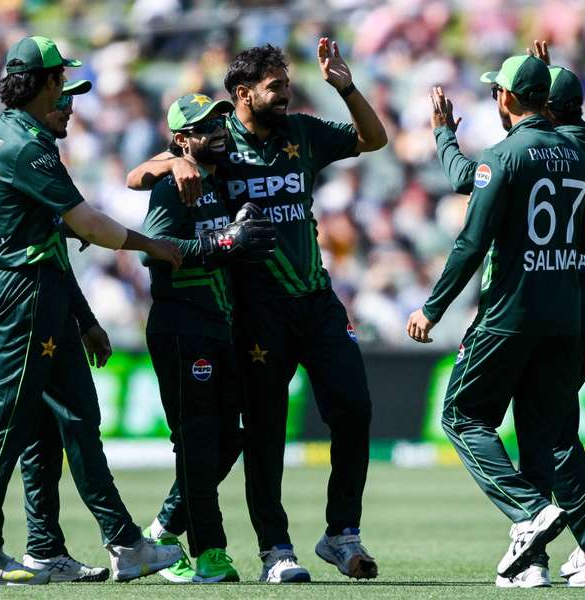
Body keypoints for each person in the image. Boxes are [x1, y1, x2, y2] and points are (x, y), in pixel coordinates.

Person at [0, 36, 183, 586]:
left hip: (41, 285)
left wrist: (77, 308)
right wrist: (156, 246)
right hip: (24, 287)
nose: (71, 100)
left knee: (73, 417)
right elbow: (90, 226)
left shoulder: (2, 133)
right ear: (45, 83)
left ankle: (95, 545)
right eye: (63, 84)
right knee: (11, 417)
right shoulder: (27, 147)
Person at [127, 39, 387, 582]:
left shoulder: (304, 133)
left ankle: (342, 533)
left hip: (317, 300)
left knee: (356, 407)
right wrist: (173, 159)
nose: (287, 93)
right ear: (244, 94)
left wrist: (345, 85)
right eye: (277, 86)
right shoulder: (220, 148)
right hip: (255, 312)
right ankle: (276, 549)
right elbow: (141, 175)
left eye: (287, 84)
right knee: (265, 432)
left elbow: (374, 138)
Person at [423, 41, 585, 587]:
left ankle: (554, 527)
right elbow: (557, 144)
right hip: (582, 297)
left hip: (537, 295)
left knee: (488, 419)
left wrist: (446, 136)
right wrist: (546, 73)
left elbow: (477, 188)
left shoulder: (520, 153)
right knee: (546, 427)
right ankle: (551, 555)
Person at [140, 93, 275, 583]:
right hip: (181, 323)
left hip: (217, 325)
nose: (217, 130)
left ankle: (160, 532)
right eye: (203, 127)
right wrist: (221, 244)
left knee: (228, 438)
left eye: (219, 120)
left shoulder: (217, 182)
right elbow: (153, 251)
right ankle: (209, 553)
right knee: (197, 442)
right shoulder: (175, 186)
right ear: (181, 140)